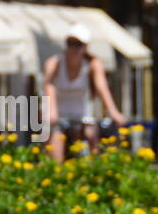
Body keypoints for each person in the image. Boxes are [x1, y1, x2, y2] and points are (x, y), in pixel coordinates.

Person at [42, 22, 127, 162]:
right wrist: (51, 111)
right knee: (55, 145)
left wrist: (113, 112)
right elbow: (48, 84)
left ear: (85, 47)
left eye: (78, 44)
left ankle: (93, 171)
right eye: (70, 43)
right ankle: (55, 174)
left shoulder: (93, 64)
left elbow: (101, 87)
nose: (74, 48)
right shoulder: (54, 63)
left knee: (92, 137)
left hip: (82, 115)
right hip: (58, 113)